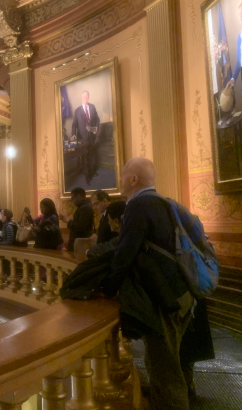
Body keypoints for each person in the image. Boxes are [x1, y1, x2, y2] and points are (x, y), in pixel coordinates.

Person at [103, 157, 196, 410]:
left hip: (164, 298)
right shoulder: (164, 203)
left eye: (123, 174)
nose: (120, 179)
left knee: (165, 372)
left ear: (134, 179)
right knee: (169, 364)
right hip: (183, 293)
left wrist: (107, 289)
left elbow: (125, 253)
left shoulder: (138, 206)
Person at [70, 91, 100, 184]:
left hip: (92, 136)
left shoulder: (92, 107)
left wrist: (96, 128)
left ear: (88, 97)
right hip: (82, 137)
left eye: (87, 96)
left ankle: (91, 171)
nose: (85, 97)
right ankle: (86, 173)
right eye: (84, 96)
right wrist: (73, 134)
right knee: (84, 156)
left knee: (91, 153)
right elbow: (74, 124)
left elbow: (97, 119)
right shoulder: (77, 111)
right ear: (81, 98)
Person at [59, 187, 94, 252]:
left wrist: (67, 221)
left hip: (80, 243)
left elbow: (80, 227)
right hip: (78, 242)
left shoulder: (85, 208)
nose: (72, 200)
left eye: (72, 198)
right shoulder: (83, 207)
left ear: (79, 196)